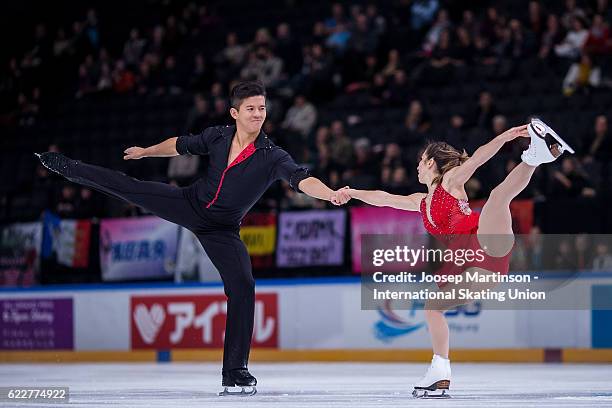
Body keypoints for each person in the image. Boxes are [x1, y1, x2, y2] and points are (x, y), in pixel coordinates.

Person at [36, 80, 350, 396]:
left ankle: (235, 371)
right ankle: (69, 168)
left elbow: (301, 179)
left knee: (243, 285)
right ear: (235, 113)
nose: (258, 114)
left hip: (222, 230)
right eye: (251, 109)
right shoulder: (217, 136)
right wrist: (147, 152)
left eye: (262, 108)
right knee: (130, 187)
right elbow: (180, 144)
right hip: (189, 203)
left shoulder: (272, 156)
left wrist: (330, 194)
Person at [343, 118, 573, 398]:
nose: (416, 166)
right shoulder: (421, 202)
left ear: (430, 163)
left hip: (486, 242)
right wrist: (352, 192)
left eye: (420, 161)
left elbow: (477, 159)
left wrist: (506, 136)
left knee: (497, 197)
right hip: (479, 270)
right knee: (433, 306)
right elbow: (384, 197)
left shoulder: (451, 182)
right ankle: (440, 371)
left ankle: (534, 157)